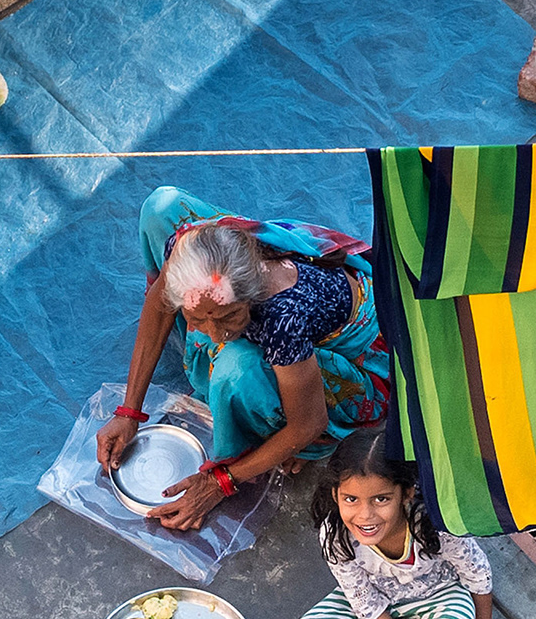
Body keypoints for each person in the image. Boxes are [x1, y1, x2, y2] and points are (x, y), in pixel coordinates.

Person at [94, 185, 391, 531]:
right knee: (162, 207)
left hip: (355, 362)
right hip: (257, 312)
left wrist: (221, 482)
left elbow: (308, 423)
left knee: (235, 369)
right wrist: (130, 412)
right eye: (198, 319)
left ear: (250, 295)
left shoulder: (283, 317)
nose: (213, 334)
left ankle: (266, 427)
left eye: (227, 317)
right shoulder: (191, 253)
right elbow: (161, 301)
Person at [288, 429, 494, 619]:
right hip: (374, 591)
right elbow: (365, 604)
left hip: (439, 594)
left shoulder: (435, 522)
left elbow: (478, 575)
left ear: (406, 493)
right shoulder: (335, 535)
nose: (365, 516)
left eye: (381, 499)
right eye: (350, 499)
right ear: (335, 494)